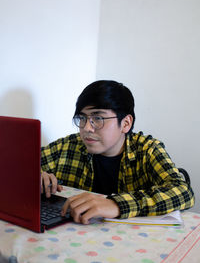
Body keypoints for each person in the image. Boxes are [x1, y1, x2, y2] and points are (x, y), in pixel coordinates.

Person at [41, 80, 195, 224]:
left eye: (98, 118)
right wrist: (35, 174)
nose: (87, 127)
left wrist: (116, 204)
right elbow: (21, 164)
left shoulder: (147, 149)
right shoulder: (70, 146)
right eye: (82, 118)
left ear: (126, 124)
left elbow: (183, 192)